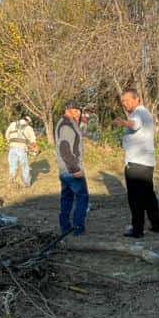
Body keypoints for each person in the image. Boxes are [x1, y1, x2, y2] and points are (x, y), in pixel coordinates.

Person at [112, 88, 159, 238]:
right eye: (123, 102)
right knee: (148, 196)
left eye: (127, 100)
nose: (125, 104)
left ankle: (137, 230)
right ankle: (156, 225)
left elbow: (135, 125)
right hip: (145, 163)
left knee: (135, 198)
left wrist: (122, 122)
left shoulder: (139, 113)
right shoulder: (142, 113)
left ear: (137, 99)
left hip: (137, 164)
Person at [55, 101, 88, 236]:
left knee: (67, 198)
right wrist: (75, 169)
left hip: (65, 170)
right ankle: (78, 228)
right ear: (68, 110)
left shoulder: (68, 123)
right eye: (76, 110)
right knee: (82, 197)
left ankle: (65, 228)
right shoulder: (66, 126)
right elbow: (65, 149)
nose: (78, 113)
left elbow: (78, 136)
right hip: (71, 170)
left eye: (79, 110)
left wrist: (84, 123)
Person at [4, 115, 39, 186]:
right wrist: (35, 149)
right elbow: (33, 142)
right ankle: (26, 184)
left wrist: (11, 142)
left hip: (12, 149)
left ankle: (12, 183)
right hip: (22, 150)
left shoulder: (12, 124)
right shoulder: (29, 128)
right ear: (28, 122)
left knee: (12, 166)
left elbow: (6, 135)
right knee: (25, 167)